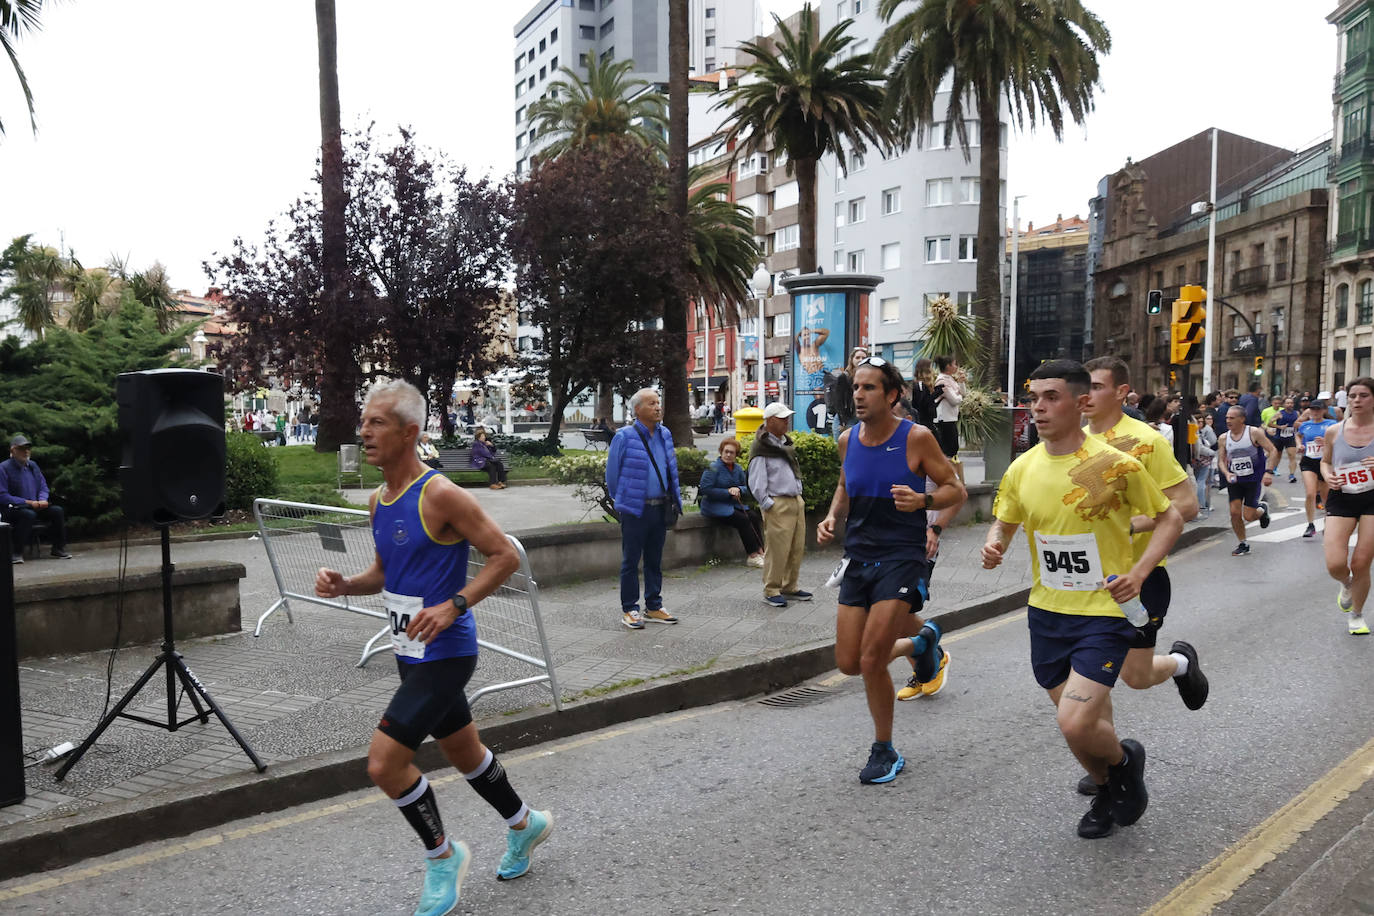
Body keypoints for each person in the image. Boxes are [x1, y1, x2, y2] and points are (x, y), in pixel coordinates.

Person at [313, 380, 553, 914]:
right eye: (364, 421)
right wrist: (346, 585)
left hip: (447, 653)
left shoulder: (440, 494)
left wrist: (454, 606)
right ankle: (525, 823)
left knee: (384, 765)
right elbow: (384, 572)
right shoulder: (380, 500)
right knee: (463, 751)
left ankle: (443, 858)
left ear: (409, 432)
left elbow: (504, 556)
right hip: (409, 650)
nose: (364, 431)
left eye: (376, 423)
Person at [982, 360, 1182, 839]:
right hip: (1047, 612)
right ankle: (1110, 783)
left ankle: (1124, 765)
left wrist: (1138, 572)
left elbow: (1171, 517)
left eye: (1051, 397)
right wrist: (995, 543)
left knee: (1074, 722)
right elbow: (1005, 519)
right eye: (1034, 398)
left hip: (1106, 613)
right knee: (1080, 724)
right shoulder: (1022, 467)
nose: (1039, 407)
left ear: (1080, 402)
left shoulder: (1114, 464)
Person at [817, 357, 965, 783]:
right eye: (856, 387)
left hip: (902, 557)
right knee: (848, 662)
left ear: (893, 394)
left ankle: (885, 749)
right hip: (859, 558)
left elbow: (955, 488)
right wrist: (831, 517)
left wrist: (924, 504)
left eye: (868, 388)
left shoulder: (916, 438)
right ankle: (922, 644)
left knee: (870, 660)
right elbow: (845, 484)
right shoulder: (848, 439)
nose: (858, 395)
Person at [1078, 357, 1208, 796]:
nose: (1086, 395)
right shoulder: (1071, 442)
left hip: (1140, 576)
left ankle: (1181, 664)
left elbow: (1187, 506)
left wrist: (1131, 524)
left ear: (1121, 392)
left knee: (1134, 676)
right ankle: (1108, 760)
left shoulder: (1146, 441)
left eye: (1096, 387)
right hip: (1087, 582)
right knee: (1094, 678)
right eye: (1083, 387)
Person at [606, 388, 682, 630]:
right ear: (637, 409)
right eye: (651, 403)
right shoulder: (624, 437)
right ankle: (630, 609)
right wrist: (623, 502)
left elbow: (670, 470)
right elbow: (612, 475)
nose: (658, 407)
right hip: (635, 510)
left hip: (660, 507)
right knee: (630, 560)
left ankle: (653, 605)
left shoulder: (665, 434)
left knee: (654, 559)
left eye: (658, 402)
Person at [1320, 377, 1374, 636]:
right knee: (1335, 563)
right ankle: (1346, 583)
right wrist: (1328, 476)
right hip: (1342, 496)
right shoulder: (1334, 431)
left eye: (1363, 395)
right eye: (1353, 396)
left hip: (1372, 499)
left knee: (1362, 562)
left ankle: (1357, 615)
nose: (1357, 400)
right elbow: (1325, 461)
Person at [749, 402, 811, 608]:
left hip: (794, 500)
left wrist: (799, 492)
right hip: (777, 502)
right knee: (777, 549)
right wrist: (767, 503)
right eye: (782, 418)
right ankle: (771, 588)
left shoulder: (785, 442)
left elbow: (794, 469)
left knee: (796, 547)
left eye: (787, 417)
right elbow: (756, 481)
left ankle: (789, 585)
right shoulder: (761, 446)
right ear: (770, 421)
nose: (786, 421)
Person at [0, 434, 73, 563]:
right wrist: (28, 502)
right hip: (14, 509)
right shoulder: (3, 468)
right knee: (28, 515)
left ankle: (58, 548)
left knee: (57, 511)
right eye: (22, 448)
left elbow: (43, 487)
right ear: (13, 450)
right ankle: (17, 553)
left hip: (36, 505)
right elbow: (3, 496)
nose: (26, 451)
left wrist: (42, 500)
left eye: (28, 448)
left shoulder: (33, 466)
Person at [1216, 405, 1278, 556]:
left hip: (1253, 479)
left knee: (1248, 516)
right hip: (1235, 480)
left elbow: (1273, 450)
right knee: (1234, 513)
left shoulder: (1254, 433)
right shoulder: (1224, 438)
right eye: (1227, 418)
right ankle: (1243, 543)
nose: (1228, 421)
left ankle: (1262, 509)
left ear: (1242, 419)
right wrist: (1226, 473)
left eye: (1232, 418)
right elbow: (1221, 461)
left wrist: (1269, 472)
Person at [698, 438, 765, 568]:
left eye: (732, 453)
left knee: (753, 516)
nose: (728, 455)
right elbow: (705, 489)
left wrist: (739, 489)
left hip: (732, 505)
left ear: (736, 454)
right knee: (743, 519)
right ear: (721, 452)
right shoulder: (713, 468)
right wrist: (727, 492)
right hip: (714, 507)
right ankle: (752, 555)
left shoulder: (738, 469)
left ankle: (761, 551)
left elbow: (747, 487)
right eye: (726, 452)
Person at [1298, 403, 1337, 538]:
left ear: (1324, 410)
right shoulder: (1305, 425)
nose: (1315, 412)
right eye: (1313, 409)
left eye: (1318, 409)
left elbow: (1339, 440)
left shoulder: (1331, 423)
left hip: (1325, 462)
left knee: (1326, 496)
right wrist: (1299, 445)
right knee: (1310, 493)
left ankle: (1328, 524)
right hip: (1308, 461)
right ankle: (1310, 525)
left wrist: (1325, 441)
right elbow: (1298, 435)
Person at [933, 355, 966, 476]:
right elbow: (954, 400)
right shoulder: (941, 381)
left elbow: (963, 394)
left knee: (953, 448)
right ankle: (947, 475)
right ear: (948, 366)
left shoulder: (951, 380)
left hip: (951, 417)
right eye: (954, 364)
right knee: (949, 448)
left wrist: (961, 383)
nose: (956, 367)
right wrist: (959, 396)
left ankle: (951, 474)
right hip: (944, 419)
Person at [1268, 397, 1300, 483]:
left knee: (1292, 456)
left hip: (1290, 437)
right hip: (1279, 437)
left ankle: (1292, 475)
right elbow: (1270, 423)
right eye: (1288, 403)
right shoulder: (1279, 414)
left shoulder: (1296, 413)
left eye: (1291, 403)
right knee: (1277, 455)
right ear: (1284, 405)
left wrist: (1298, 426)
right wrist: (1279, 427)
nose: (1290, 405)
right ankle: (1273, 469)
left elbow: (1300, 423)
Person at [1193, 411, 1218, 515]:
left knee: (1201, 482)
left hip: (1201, 459)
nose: (1200, 424)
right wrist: (1212, 453)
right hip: (1202, 460)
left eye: (1201, 422)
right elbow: (1200, 447)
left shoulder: (1199, 432)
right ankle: (1201, 505)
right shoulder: (1195, 433)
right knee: (1201, 482)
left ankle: (1202, 504)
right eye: (1198, 422)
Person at [909, 358, 938, 431]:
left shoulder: (926, 385)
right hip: (924, 424)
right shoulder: (920, 385)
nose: (932, 370)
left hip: (929, 422)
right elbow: (923, 404)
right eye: (931, 368)